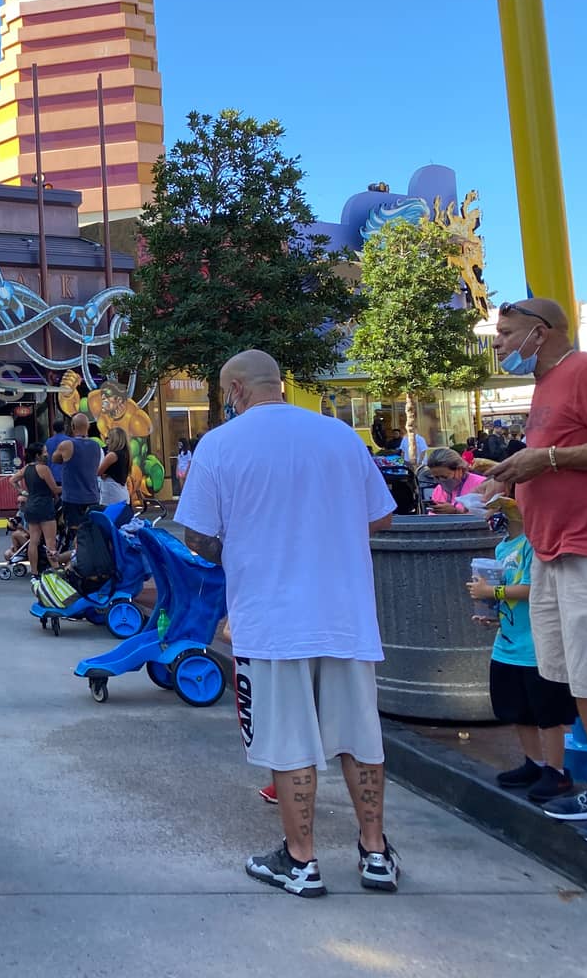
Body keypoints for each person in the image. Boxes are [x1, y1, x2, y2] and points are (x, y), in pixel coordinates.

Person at [175, 349, 401, 898]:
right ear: (279, 383)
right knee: (360, 735)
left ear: (234, 390)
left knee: (288, 741)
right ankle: (376, 853)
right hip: (345, 613)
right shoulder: (341, 436)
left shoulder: (220, 445)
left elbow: (197, 536)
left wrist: (246, 548)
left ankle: (301, 862)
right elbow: (382, 515)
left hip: (272, 619)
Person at [482, 298, 587, 821]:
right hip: (548, 550)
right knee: (564, 673)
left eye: (505, 333)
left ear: (540, 332)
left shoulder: (583, 370)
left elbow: (557, 459)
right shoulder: (545, 386)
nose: (499, 343)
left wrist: (542, 458)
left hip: (581, 548)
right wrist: (508, 472)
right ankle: (559, 771)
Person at [468, 496, 577, 803]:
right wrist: (492, 610)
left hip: (536, 645)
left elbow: (534, 587)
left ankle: (557, 771)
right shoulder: (503, 547)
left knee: (549, 713)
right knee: (519, 710)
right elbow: (507, 589)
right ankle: (535, 762)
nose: (493, 515)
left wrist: (493, 591)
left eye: (498, 509)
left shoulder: (533, 544)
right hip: (507, 643)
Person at [52, 413, 102, 546]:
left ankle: (76, 559)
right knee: (91, 530)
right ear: (89, 426)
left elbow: (54, 459)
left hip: (73, 498)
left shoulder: (67, 444)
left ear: (72, 426)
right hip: (92, 496)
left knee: (76, 532)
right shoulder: (96, 446)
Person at [20, 443, 61, 577]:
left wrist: (24, 492)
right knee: (50, 542)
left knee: (34, 541)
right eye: (45, 452)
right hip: (44, 506)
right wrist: (69, 487)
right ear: (38, 455)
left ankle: (34, 572)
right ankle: (56, 570)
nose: (47, 454)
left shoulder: (26, 468)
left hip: (31, 506)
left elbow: (12, 480)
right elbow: (54, 489)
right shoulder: (44, 469)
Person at [425, 447, 487, 513]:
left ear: (459, 469)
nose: (441, 480)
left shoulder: (481, 484)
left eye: (444, 477)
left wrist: (456, 512)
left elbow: (487, 516)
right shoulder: (438, 490)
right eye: (436, 477)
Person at [98, 426, 132, 507]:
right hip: (121, 492)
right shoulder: (126, 454)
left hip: (112, 494)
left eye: (108, 438)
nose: (107, 441)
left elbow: (98, 472)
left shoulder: (112, 455)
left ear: (114, 440)